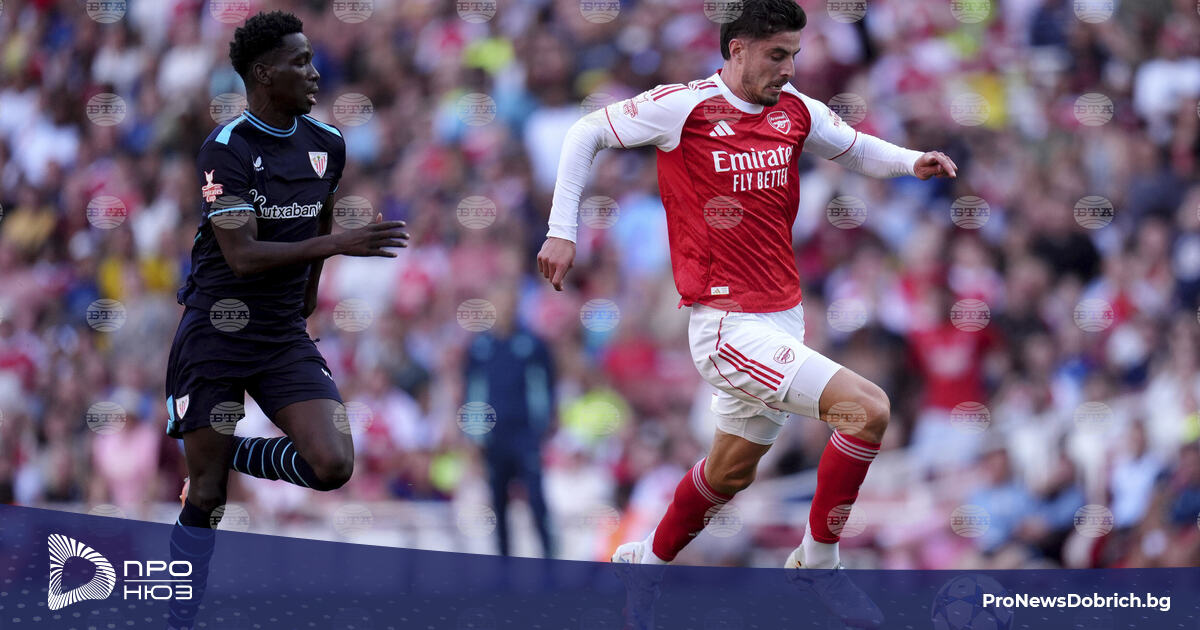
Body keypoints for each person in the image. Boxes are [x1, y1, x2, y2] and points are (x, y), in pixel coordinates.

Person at [538, 0, 955, 622]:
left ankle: (646, 563)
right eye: (776, 55)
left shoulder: (796, 111)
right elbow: (585, 132)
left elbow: (851, 147)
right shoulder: (685, 107)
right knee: (867, 410)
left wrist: (909, 162)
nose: (788, 69)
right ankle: (818, 562)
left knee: (729, 473)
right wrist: (561, 230)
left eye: (794, 55)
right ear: (737, 49)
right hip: (727, 326)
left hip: (784, 317)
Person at [463, 289, 557, 558]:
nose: (505, 310)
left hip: (525, 434)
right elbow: (473, 391)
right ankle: (504, 562)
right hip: (495, 437)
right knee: (498, 500)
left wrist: (543, 425)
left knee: (536, 498)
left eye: (510, 303)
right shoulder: (480, 347)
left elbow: (546, 387)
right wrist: (475, 435)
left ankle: (550, 557)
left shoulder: (533, 344)